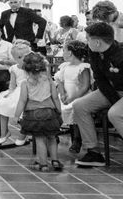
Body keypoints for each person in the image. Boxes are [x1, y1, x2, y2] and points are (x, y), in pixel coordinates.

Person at [74, 22, 123, 167]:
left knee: (114, 114)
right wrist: (114, 99)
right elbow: (100, 79)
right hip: (111, 90)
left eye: (88, 39)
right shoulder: (93, 52)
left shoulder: (121, 54)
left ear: (97, 42)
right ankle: (94, 152)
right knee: (80, 105)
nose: (86, 42)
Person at [14, 53, 63, 172]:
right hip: (50, 113)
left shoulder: (25, 83)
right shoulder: (49, 80)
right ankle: (55, 161)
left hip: (33, 114)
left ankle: (43, 164)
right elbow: (55, 97)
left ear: (26, 70)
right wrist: (59, 110)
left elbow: (22, 100)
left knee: (40, 139)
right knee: (52, 137)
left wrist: (16, 115)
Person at [0, 40, 33, 146]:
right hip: (17, 91)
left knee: (24, 108)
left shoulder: (31, 68)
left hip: (30, 91)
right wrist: (10, 92)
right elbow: (13, 84)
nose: (22, 60)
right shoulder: (14, 68)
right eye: (18, 58)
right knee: (3, 104)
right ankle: (5, 132)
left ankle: (24, 133)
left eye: (24, 57)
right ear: (14, 58)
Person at [54, 40, 91, 153]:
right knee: (54, 108)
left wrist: (72, 98)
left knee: (74, 109)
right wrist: (63, 94)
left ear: (70, 53)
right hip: (65, 96)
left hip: (79, 96)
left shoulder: (83, 67)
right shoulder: (65, 66)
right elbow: (59, 81)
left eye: (63, 50)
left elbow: (85, 86)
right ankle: (53, 134)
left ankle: (77, 139)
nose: (62, 53)